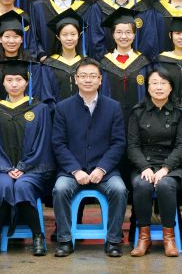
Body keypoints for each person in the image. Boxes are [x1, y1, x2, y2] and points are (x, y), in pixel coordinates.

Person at [49, 58, 129, 257]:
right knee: (60, 189)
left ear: (100, 80)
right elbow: (58, 143)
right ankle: (65, 240)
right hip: (72, 171)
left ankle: (113, 241)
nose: (88, 80)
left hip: (105, 171)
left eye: (93, 76)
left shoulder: (113, 107)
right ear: (75, 79)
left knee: (119, 190)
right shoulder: (63, 108)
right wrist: (75, 170)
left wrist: (102, 168)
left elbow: (118, 143)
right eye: (83, 76)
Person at [0, 58, 51, 257]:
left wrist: (23, 167)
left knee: (22, 186)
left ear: (27, 82)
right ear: (3, 83)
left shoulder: (39, 109)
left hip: (33, 170)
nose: (14, 84)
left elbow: (42, 143)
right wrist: (6, 168)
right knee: (4, 185)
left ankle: (38, 236)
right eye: (9, 80)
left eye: (19, 80)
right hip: (1, 170)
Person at [125, 65, 182, 257]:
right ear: (147, 87)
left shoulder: (181, 113)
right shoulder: (137, 112)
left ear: (171, 87)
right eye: (154, 83)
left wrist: (166, 168)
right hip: (144, 165)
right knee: (142, 185)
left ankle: (169, 238)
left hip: (172, 166)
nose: (159, 87)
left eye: (163, 83)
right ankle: (144, 238)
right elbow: (132, 146)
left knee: (165, 185)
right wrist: (144, 167)